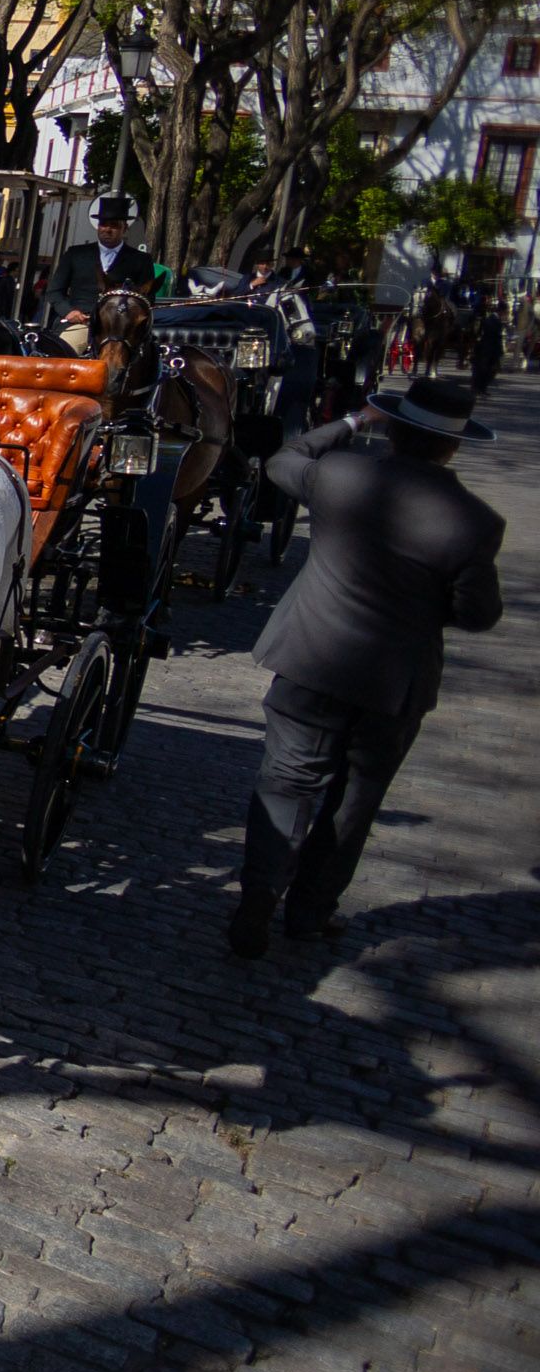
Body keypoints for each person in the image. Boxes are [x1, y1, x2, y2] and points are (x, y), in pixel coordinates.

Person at [228, 374, 503, 955]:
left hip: (311, 661)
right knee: (352, 804)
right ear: (454, 446)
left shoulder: (342, 476)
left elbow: (284, 459)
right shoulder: (474, 521)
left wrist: (354, 421)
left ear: (394, 430)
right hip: (393, 682)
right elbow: (478, 614)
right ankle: (308, 913)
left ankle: (257, 901)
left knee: (285, 784)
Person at [47, 194, 163, 345]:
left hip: (121, 328)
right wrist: (69, 312)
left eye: (114, 225)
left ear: (125, 228)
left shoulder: (141, 260)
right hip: (79, 324)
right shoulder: (75, 254)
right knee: (70, 347)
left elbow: (147, 299)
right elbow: (54, 291)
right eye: (103, 224)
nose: (107, 229)